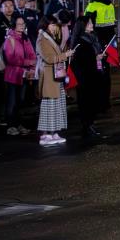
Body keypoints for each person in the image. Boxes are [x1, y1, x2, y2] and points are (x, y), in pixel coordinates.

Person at [69, 13, 110, 139]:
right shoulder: (80, 42)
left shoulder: (93, 37)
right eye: (90, 23)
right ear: (83, 26)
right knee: (86, 103)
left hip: (95, 75)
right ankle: (87, 126)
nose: (92, 25)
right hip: (85, 78)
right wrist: (95, 57)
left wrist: (101, 56)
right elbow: (79, 61)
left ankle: (91, 123)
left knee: (93, 102)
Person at [36, 16, 74, 146]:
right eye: (52, 25)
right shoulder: (42, 39)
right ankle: (45, 134)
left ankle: (54, 132)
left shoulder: (49, 38)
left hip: (55, 76)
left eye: (55, 25)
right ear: (45, 25)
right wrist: (65, 55)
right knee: (49, 106)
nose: (54, 27)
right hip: (48, 76)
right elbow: (49, 58)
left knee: (56, 106)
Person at [1, 16, 36, 136]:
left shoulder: (26, 38)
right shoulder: (10, 39)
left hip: (24, 75)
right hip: (12, 75)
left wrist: (31, 68)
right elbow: (11, 59)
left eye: (23, 23)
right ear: (13, 25)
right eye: (19, 23)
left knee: (20, 101)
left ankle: (18, 124)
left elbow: (32, 54)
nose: (22, 25)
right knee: (12, 102)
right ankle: (11, 126)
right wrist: (28, 62)